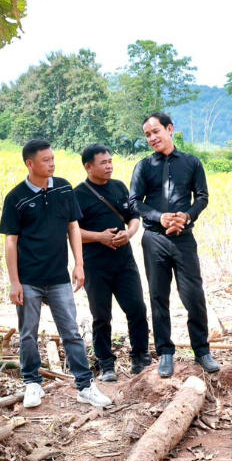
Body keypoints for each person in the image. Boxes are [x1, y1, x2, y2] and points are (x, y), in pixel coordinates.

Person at [0, 140, 112, 411]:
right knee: (28, 333)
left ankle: (85, 386)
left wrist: (79, 264)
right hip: (29, 279)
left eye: (53, 158)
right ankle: (32, 383)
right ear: (30, 164)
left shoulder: (63, 187)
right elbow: (11, 242)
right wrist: (15, 282)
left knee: (71, 332)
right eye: (46, 160)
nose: (52, 163)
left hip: (59, 276)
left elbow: (73, 226)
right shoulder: (16, 198)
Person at [129, 112, 219, 378]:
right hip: (154, 239)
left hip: (184, 239)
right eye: (147, 134)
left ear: (170, 129)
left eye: (156, 131)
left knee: (194, 295)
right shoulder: (143, 167)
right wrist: (160, 217)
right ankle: (165, 353)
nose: (152, 138)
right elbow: (135, 202)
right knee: (158, 297)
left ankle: (202, 351)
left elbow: (202, 197)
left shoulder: (192, 163)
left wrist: (186, 216)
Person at [75, 144, 150, 380]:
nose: (109, 166)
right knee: (101, 315)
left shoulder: (118, 187)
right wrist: (99, 237)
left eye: (110, 161)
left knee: (137, 308)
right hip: (95, 265)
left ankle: (141, 357)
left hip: (124, 262)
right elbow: (72, 231)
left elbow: (134, 217)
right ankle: (106, 363)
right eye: (103, 163)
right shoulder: (78, 195)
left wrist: (129, 234)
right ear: (88, 167)